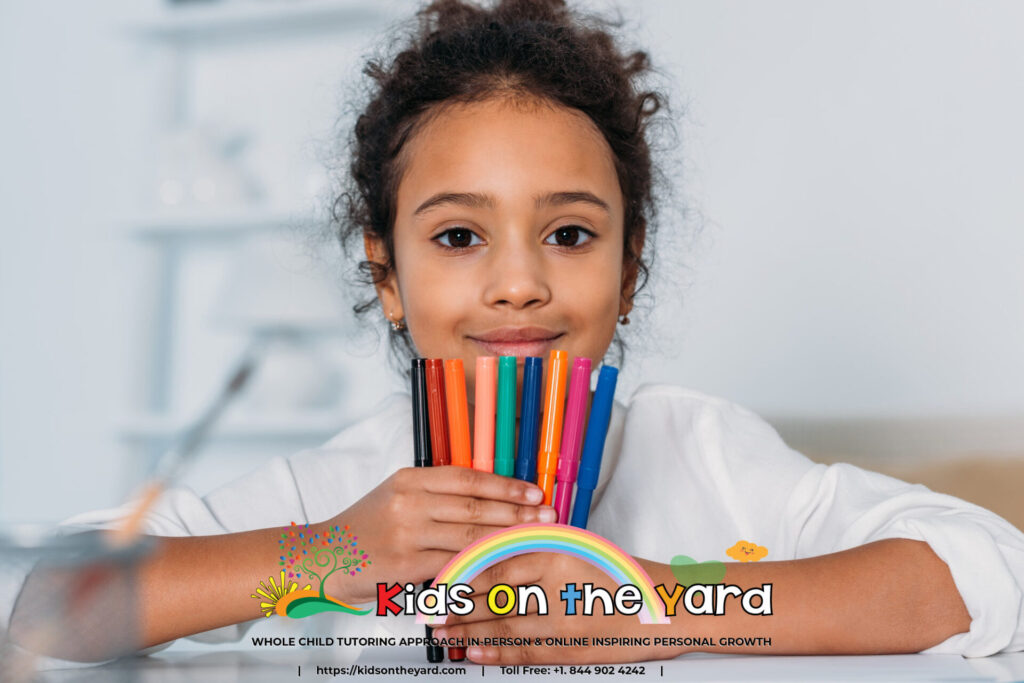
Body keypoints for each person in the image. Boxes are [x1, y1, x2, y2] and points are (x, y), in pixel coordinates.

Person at [7, 0, 1024, 666]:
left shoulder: (702, 452)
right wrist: (327, 554)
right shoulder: (339, 493)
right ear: (387, 275)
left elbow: (983, 572)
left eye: (569, 234)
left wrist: (651, 604)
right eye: (458, 235)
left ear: (627, 270)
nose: (519, 284)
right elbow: (51, 606)